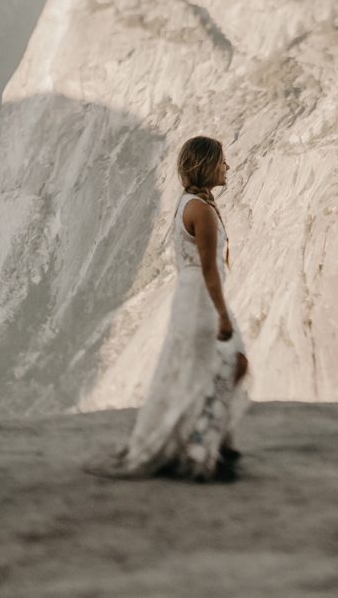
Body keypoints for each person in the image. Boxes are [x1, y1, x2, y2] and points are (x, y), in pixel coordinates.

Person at [93, 135, 250, 480]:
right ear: (208, 164)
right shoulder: (201, 210)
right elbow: (208, 267)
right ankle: (201, 451)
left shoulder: (189, 203)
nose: (228, 166)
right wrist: (222, 314)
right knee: (222, 367)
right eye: (223, 160)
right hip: (202, 298)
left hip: (194, 295)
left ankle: (208, 446)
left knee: (213, 367)